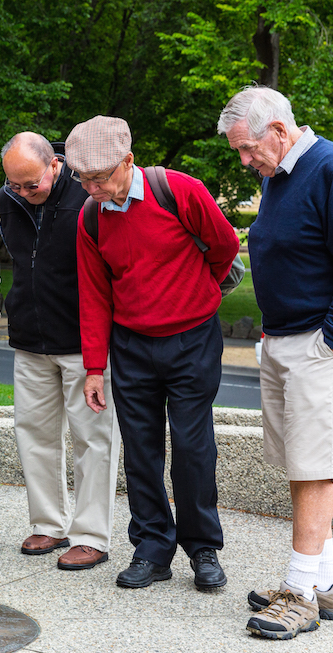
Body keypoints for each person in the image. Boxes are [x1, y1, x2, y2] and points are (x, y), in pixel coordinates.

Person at [218, 86, 333, 640]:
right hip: (286, 335)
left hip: (320, 339)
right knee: (298, 462)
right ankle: (325, 584)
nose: (244, 160)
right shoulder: (277, 175)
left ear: (279, 132)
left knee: (313, 466)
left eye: (246, 148)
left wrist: (328, 340)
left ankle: (300, 592)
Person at [68, 116, 239, 591]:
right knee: (140, 452)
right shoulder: (89, 218)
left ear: (128, 161)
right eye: (83, 178)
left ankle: (203, 548)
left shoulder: (179, 190)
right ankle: (151, 548)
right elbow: (95, 295)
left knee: (192, 447)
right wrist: (94, 368)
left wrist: (198, 290)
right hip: (131, 345)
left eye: (100, 177)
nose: (91, 187)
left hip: (192, 339)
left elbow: (224, 246)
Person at [0, 132, 121, 569]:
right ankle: (48, 524)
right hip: (30, 338)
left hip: (83, 343)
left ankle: (91, 535)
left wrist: (99, 352)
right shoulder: (9, 199)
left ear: (55, 165)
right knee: (33, 434)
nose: (24, 193)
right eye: (15, 185)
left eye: (32, 184)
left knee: (93, 439)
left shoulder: (88, 197)